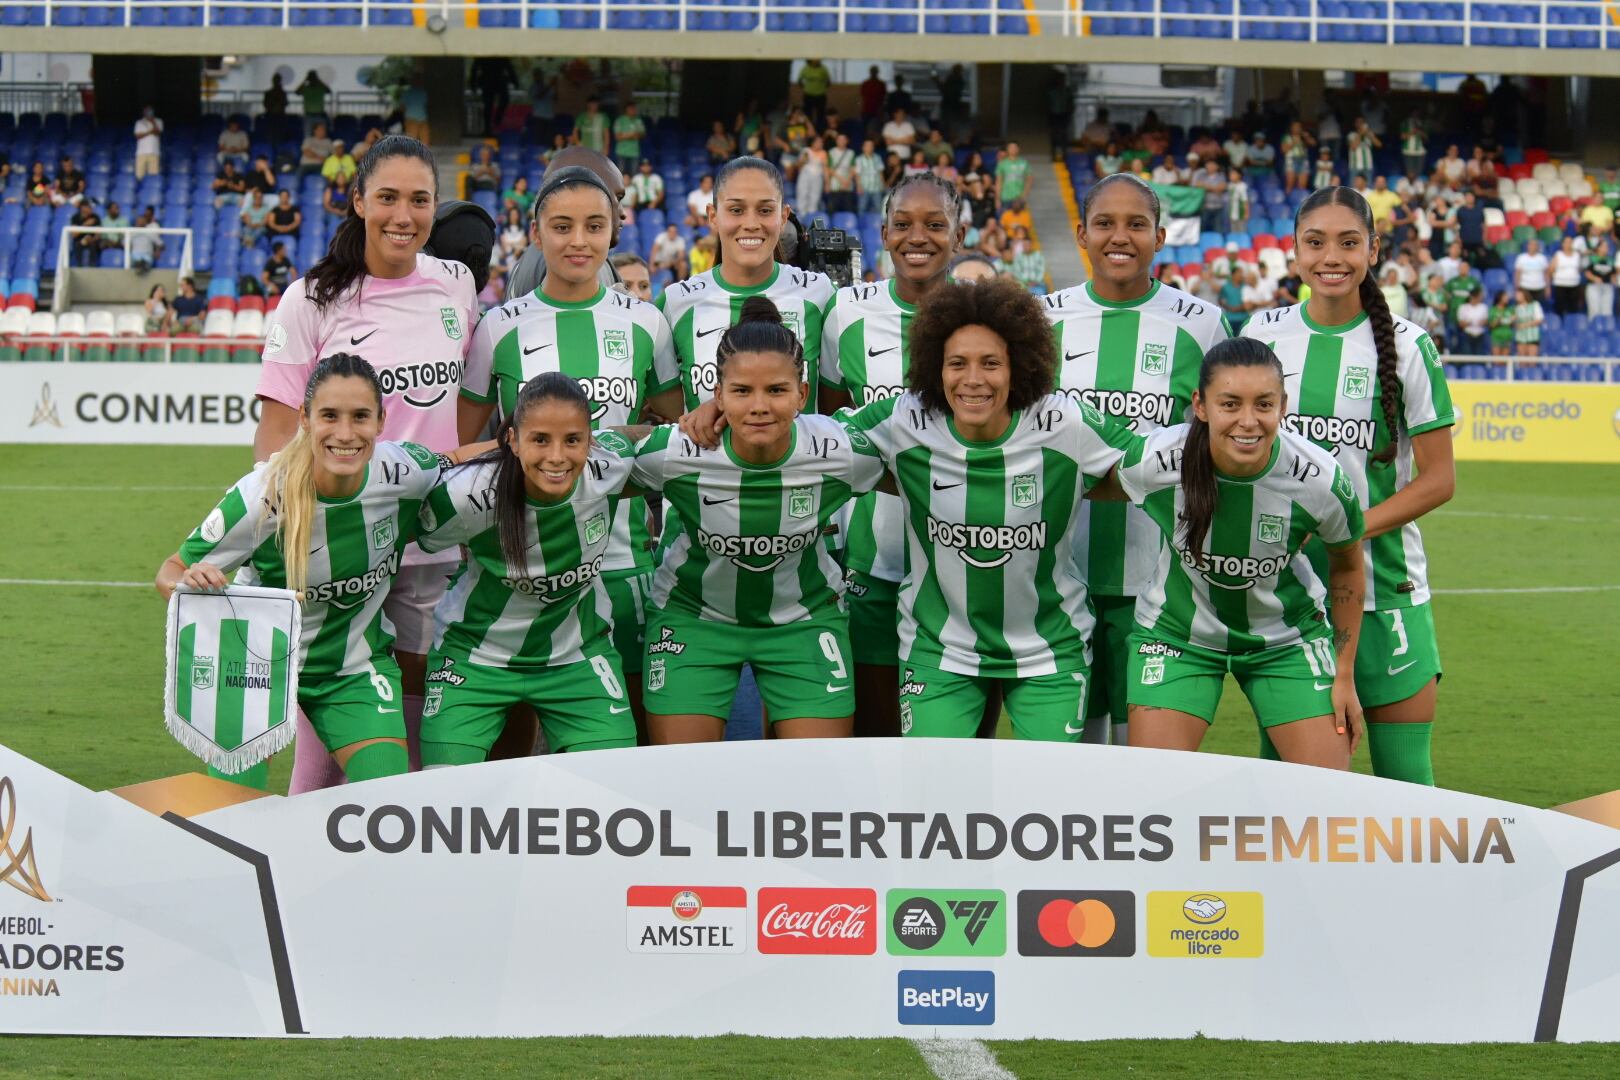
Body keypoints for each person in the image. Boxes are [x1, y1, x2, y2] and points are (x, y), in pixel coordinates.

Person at [253, 135, 478, 794]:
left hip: (432, 534)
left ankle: (402, 831)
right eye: (387, 198)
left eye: (419, 200)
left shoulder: (457, 285)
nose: (403, 216)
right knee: (331, 702)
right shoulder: (310, 299)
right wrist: (286, 531)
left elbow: (469, 405)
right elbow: (276, 432)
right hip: (339, 537)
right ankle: (302, 837)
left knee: (416, 696)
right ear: (357, 201)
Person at [831, 280, 1132, 740]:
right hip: (938, 649)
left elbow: (1150, 460)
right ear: (935, 366)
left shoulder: (1064, 423)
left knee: (1051, 785)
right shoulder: (904, 419)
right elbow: (814, 442)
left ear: (1019, 367)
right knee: (932, 784)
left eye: (991, 363)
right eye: (957, 363)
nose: (973, 379)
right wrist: (724, 417)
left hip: (1049, 649)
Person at [1241, 185, 1457, 784]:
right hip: (1289, 597)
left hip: (1387, 590)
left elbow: (1440, 480)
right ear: (1294, 251)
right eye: (1315, 242)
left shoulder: (1409, 347)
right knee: (1290, 785)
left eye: (1348, 242)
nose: (1330, 257)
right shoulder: (1263, 333)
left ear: (1373, 250)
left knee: (1405, 783)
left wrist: (1349, 528)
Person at [459, 168, 684, 734]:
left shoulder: (647, 323)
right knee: (512, 745)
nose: (578, 241)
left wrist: (622, 442)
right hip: (519, 568)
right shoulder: (497, 327)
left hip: (622, 563)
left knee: (627, 738)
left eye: (593, 226)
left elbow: (672, 427)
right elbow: (465, 448)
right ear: (536, 233)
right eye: (562, 227)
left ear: (614, 231)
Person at [157, 355, 443, 788]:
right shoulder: (261, 496)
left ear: (381, 421)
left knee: (387, 796)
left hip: (353, 668)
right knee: (233, 807)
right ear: (305, 419)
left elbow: (457, 464)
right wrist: (188, 581)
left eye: (360, 416)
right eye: (329, 416)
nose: (345, 433)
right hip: (255, 667)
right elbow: (171, 569)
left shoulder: (406, 473)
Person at [1088, 338, 1367, 770]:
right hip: (1177, 635)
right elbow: (1086, 483)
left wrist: (1344, 675)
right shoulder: (1158, 460)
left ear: (1283, 406)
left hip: (1286, 640)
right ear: (1200, 405)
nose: (1248, 421)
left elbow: (1348, 565)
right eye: (1230, 404)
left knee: (1325, 794)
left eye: (1264, 404)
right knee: (1154, 787)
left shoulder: (1320, 480)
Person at [639, 299, 887, 744]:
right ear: (717, 395)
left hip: (804, 620)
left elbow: (921, 453)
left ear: (802, 395)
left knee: (818, 778)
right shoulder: (679, 450)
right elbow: (595, 453)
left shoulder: (840, 452)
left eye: (776, 390)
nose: (759, 406)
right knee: (683, 777)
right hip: (693, 619)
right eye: (741, 391)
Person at [1042, 174, 1231, 743]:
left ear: (1160, 236)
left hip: (1157, 578)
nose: (1119, 237)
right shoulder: (1043, 321)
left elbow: (1218, 443)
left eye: (1136, 224)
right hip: (1057, 571)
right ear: (1082, 233)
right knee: (1076, 747)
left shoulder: (1202, 324)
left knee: (1138, 752)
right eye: (1105, 223)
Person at [810, 173, 967, 737]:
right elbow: (832, 424)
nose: (917, 237)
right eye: (903, 224)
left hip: (966, 564)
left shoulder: (981, 318)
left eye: (935, 224)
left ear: (959, 234)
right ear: (883, 233)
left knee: (959, 748)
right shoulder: (846, 312)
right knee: (875, 735)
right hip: (871, 560)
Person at [419, 373, 639, 765]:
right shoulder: (465, 493)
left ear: (591, 440)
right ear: (513, 440)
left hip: (578, 657)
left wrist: (707, 415)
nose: (556, 456)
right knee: (446, 791)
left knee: (613, 782)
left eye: (572, 440)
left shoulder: (610, 465)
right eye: (540, 439)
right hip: (475, 660)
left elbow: (651, 438)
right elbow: (395, 525)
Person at [656, 157, 834, 413]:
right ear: (713, 216)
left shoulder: (820, 294)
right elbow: (662, 417)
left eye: (765, 210)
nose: (751, 224)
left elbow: (837, 411)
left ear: (783, 216)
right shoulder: (674, 302)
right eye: (736, 210)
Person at [470, 58, 518, 137]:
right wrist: (472, 84)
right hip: (487, 79)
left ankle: (496, 121)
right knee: (488, 105)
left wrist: (515, 81)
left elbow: (509, 67)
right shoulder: (482, 55)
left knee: (504, 99)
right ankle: (487, 128)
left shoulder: (501, 55)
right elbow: (474, 68)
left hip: (498, 78)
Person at [1551, 236, 1585, 316]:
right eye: (1566, 242)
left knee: (1573, 309)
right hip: (1560, 285)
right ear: (1562, 244)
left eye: (1570, 242)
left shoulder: (1577, 255)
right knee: (1560, 309)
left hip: (1574, 285)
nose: (1568, 244)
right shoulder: (1558, 255)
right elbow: (1551, 269)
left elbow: (1579, 269)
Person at [796, 136, 827, 218]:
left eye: (821, 142)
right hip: (805, 175)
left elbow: (825, 168)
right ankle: (801, 215)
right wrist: (804, 159)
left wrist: (827, 182)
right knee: (803, 194)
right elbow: (799, 164)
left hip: (817, 177)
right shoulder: (806, 150)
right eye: (819, 142)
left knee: (815, 197)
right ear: (813, 143)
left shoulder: (823, 153)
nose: (820, 144)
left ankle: (811, 216)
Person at [995, 141, 1031, 209]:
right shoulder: (1002, 164)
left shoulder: (1024, 163)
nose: (1013, 149)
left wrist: (1024, 195)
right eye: (1011, 147)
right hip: (1005, 198)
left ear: (1018, 149)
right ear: (1007, 149)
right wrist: (997, 199)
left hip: (1019, 198)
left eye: (1015, 147)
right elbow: (999, 182)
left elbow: (1029, 180)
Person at [613, 101, 646, 176]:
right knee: (620, 175)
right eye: (631, 109)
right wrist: (632, 134)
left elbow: (642, 134)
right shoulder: (620, 120)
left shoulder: (638, 120)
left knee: (634, 174)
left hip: (634, 152)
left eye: (634, 109)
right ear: (626, 109)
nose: (633, 110)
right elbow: (618, 137)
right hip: (621, 151)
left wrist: (625, 135)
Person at [1585, 237, 1615, 320]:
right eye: (1604, 246)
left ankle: (1606, 327)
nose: (1606, 248)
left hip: (1607, 287)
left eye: (1607, 246)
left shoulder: (1610, 260)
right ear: (1598, 248)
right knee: (1594, 310)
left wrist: (1613, 279)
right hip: (1594, 287)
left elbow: (1612, 273)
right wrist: (1594, 278)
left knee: (1607, 311)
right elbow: (1587, 273)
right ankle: (1594, 326)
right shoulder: (1592, 259)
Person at [855, 139, 886, 216]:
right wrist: (858, 186)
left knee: (879, 208)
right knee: (862, 209)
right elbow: (857, 174)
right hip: (864, 188)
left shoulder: (878, 158)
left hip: (876, 188)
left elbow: (881, 173)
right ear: (863, 147)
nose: (869, 147)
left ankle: (878, 223)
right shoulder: (859, 159)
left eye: (871, 145)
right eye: (867, 145)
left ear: (873, 147)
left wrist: (882, 185)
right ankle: (861, 223)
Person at [1514, 238, 1550, 305]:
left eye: (1535, 245)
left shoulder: (1542, 258)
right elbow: (1517, 274)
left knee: (1538, 307)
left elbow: (1546, 274)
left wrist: (1547, 288)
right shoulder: (1521, 258)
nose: (1533, 247)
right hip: (1525, 287)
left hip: (1539, 288)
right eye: (1531, 245)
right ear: (1528, 246)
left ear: (1537, 247)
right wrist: (1517, 289)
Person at [296, 69, 331, 135]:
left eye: (314, 77)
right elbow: (297, 92)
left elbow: (329, 91)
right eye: (311, 77)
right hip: (309, 116)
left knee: (321, 136)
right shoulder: (305, 88)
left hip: (320, 115)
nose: (312, 79)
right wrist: (305, 80)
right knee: (308, 136)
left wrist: (319, 80)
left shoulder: (320, 88)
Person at [1455, 285, 1488, 355]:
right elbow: (1460, 323)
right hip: (1467, 334)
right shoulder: (1463, 307)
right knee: (1467, 355)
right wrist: (1468, 323)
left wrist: (1482, 322)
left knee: (1480, 356)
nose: (1481, 298)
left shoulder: (1483, 307)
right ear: (1473, 297)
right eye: (1479, 296)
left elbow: (1486, 322)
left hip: (1480, 335)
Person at [799, 58, 831, 129]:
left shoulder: (823, 69)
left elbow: (828, 81)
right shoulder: (805, 69)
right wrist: (806, 88)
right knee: (808, 114)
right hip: (808, 95)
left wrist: (821, 88)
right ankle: (809, 129)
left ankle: (820, 130)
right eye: (815, 59)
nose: (818, 60)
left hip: (820, 95)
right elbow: (799, 80)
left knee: (821, 115)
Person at [133, 106, 163, 180]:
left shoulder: (159, 121)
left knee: (153, 176)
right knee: (139, 175)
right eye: (147, 111)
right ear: (144, 112)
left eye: (150, 111)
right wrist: (150, 132)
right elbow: (138, 136)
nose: (149, 113)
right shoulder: (139, 122)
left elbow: (158, 132)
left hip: (154, 152)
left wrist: (153, 122)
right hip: (141, 152)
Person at [1513, 287, 1543, 357]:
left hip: (1533, 336)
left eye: (1518, 295)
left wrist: (1525, 325)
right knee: (1522, 359)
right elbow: (1515, 323)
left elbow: (1539, 320)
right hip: (1520, 337)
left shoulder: (1535, 305)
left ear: (1524, 295)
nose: (1516, 297)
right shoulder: (1516, 308)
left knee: (1532, 359)